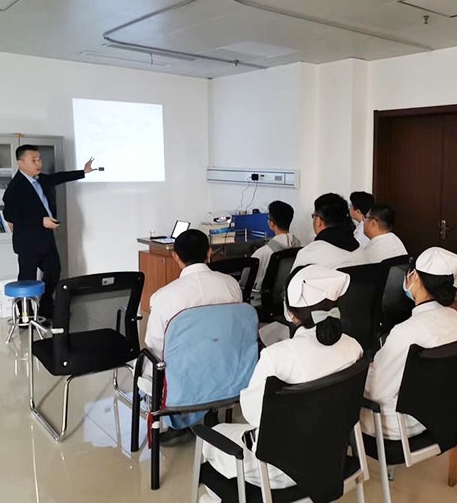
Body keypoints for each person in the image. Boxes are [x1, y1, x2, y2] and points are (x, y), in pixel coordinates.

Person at [200, 265, 363, 498]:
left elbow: (253, 414)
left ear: (292, 315)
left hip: (276, 472)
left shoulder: (277, 356)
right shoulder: (353, 347)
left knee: (212, 439)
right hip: (332, 458)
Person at [361, 247, 457, 439]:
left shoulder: (406, 331)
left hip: (399, 425)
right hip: (440, 415)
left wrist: (363, 371)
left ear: (415, 277)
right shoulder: (455, 319)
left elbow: (377, 392)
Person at [2, 145, 96, 318]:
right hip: (28, 243)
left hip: (46, 239)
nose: (39, 163)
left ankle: (46, 306)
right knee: (27, 279)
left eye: (39, 159)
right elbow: (9, 214)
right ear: (21, 163)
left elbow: (58, 177)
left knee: (54, 271)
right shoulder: (15, 187)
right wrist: (40, 221)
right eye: (34, 160)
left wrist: (84, 172)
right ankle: (25, 315)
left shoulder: (40, 179)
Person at [145, 229, 243, 357]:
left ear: (175, 256)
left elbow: (156, 346)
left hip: (182, 366)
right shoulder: (232, 284)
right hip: (227, 359)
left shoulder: (162, 297)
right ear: (209, 253)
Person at [292, 193, 361, 270]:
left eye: (314, 216)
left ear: (318, 221)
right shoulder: (361, 251)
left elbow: (293, 277)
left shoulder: (309, 253)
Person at [251, 201, 301, 290]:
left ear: (271, 223)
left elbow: (245, 283)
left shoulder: (261, 254)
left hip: (262, 298)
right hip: (289, 295)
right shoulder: (300, 249)